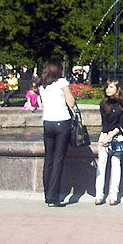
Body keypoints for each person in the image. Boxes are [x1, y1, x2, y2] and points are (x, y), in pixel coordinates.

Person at [38, 59, 76, 207]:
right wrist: (67, 91)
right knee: (58, 160)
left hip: (47, 123)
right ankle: (54, 197)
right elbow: (71, 103)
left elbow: (42, 104)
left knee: (48, 160)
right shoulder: (62, 82)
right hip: (62, 122)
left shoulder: (42, 84)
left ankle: (47, 194)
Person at [95, 78, 123, 206]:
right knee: (101, 165)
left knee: (116, 163)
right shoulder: (103, 103)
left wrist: (109, 137)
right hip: (105, 136)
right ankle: (99, 195)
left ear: (117, 89)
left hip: (117, 136)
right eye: (107, 87)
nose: (107, 90)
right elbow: (104, 123)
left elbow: (122, 123)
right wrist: (104, 137)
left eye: (111, 87)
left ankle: (113, 195)